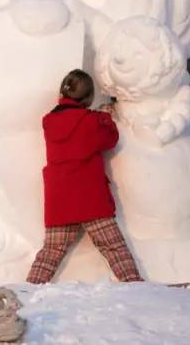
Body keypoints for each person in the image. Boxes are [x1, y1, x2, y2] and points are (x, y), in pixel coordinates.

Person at [26, 69, 143, 284]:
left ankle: (26, 291)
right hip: (90, 198)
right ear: (88, 98)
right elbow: (110, 139)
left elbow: (71, 126)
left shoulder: (49, 121)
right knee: (114, 247)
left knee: (51, 252)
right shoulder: (91, 122)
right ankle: (134, 284)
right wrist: (105, 117)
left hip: (59, 198)